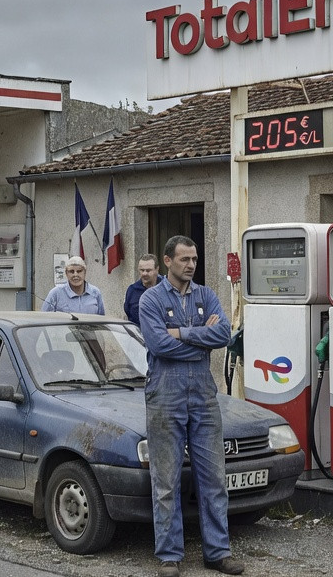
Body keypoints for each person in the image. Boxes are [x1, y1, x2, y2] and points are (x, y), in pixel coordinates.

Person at [138, 235, 243, 577]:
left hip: (202, 394)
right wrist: (200, 339)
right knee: (166, 479)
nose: (191, 264)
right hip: (165, 395)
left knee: (213, 477)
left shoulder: (206, 296)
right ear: (167, 261)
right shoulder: (150, 299)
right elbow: (158, 344)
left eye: (194, 259)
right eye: (184, 259)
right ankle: (170, 555)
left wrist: (182, 334)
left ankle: (218, 552)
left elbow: (224, 335)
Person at [40, 255, 105, 314]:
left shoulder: (95, 292)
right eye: (71, 271)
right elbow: (44, 318)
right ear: (66, 273)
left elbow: (102, 320)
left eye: (79, 271)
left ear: (85, 272)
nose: (75, 275)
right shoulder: (56, 293)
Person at [123, 253, 163, 326]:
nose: (144, 273)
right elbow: (128, 312)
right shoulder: (132, 290)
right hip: (139, 335)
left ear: (157, 269)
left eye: (148, 270)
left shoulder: (167, 287)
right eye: (142, 270)